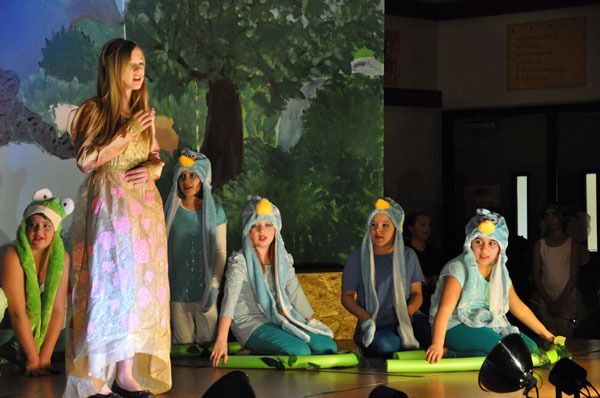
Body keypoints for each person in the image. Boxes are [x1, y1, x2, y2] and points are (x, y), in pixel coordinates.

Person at [65, 38, 171, 398]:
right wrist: (124, 135)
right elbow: (86, 160)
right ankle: (95, 378)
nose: (139, 71)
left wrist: (154, 170)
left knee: (134, 291)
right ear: (114, 70)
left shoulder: (145, 113)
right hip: (110, 208)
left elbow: (155, 157)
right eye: (132, 65)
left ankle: (125, 374)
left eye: (142, 64)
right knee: (106, 287)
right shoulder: (94, 111)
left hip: (143, 214)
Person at [210, 197, 336, 367]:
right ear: (247, 230)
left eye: (268, 224)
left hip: (273, 319)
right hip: (249, 323)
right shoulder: (240, 261)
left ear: (276, 228)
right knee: (300, 351)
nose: (262, 230)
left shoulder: (282, 259)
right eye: (255, 225)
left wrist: (311, 323)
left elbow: (294, 291)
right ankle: (255, 346)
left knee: (326, 346)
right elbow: (230, 300)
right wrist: (221, 339)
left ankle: (267, 345)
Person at [426, 209, 555, 363]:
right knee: (505, 350)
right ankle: (450, 353)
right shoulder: (458, 268)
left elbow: (518, 307)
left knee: (531, 349)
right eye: (478, 242)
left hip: (485, 324)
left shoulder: (500, 272)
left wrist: (546, 334)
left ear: (501, 246)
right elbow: (444, 310)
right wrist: (437, 344)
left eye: (492, 243)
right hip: (453, 325)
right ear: (470, 243)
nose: (484, 250)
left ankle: (479, 350)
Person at [342, 198, 431, 357]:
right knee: (387, 344)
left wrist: (408, 312)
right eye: (373, 225)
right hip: (376, 325)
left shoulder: (408, 255)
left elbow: (417, 293)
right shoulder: (358, 257)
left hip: (405, 322)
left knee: (433, 332)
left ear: (396, 227)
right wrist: (365, 318)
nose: (378, 230)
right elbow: (347, 297)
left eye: (385, 225)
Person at [0, 189, 73, 376]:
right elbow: (17, 311)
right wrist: (33, 359)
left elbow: (57, 310)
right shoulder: (12, 254)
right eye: (33, 224)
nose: (39, 230)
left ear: (55, 230)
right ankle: (21, 351)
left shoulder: (61, 259)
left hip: (19, 325)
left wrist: (45, 358)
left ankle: (18, 349)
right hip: (8, 318)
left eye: (46, 225)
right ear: (24, 228)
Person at [164, 148, 227, 346]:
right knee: (183, 343)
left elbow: (220, 252)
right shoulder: (170, 212)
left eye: (192, 175)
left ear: (202, 178)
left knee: (207, 343)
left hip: (205, 292)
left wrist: (214, 288)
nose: (187, 181)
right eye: (182, 176)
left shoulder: (215, 211)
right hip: (178, 293)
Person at [531, 204, 584, 338]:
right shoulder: (540, 245)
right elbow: (536, 275)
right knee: (548, 336)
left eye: (554, 215)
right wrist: (549, 301)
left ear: (562, 219)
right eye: (546, 216)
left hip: (567, 297)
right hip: (545, 297)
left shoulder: (571, 244)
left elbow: (573, 276)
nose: (550, 219)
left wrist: (559, 302)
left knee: (566, 337)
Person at [404, 212, 444, 313]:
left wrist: (436, 278)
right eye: (422, 224)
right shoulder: (404, 252)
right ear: (411, 228)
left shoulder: (435, 252)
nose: (427, 228)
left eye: (429, 225)